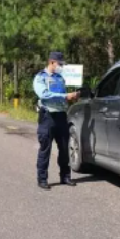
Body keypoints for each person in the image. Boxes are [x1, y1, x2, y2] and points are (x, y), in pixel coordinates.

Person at [33, 51, 79, 191]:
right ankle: (42, 179)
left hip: (61, 116)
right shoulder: (40, 78)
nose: (61, 66)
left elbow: (63, 96)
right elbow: (44, 95)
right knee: (45, 149)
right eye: (59, 64)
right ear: (52, 62)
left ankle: (65, 176)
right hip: (47, 117)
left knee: (64, 149)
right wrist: (65, 96)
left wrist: (72, 97)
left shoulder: (60, 78)